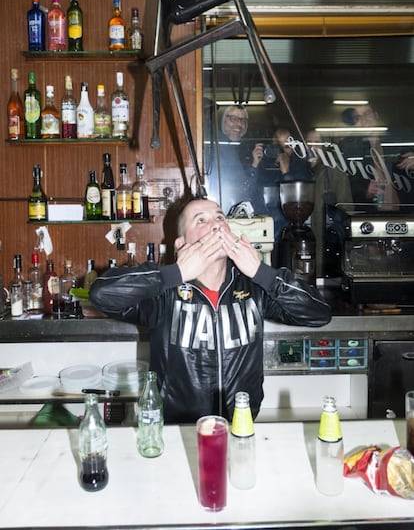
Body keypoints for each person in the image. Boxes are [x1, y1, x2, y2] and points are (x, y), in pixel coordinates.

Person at [90, 197, 331, 424]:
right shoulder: (163, 293)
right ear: (181, 243)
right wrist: (177, 273)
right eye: (201, 220)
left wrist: (261, 272)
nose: (216, 225)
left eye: (220, 218)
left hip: (240, 425)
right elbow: (102, 294)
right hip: (178, 430)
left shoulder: (254, 287)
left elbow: (319, 313)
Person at [305, 128, 354, 277]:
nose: (313, 147)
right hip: (299, 249)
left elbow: (347, 214)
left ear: (324, 147)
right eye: (309, 142)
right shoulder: (296, 171)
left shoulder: (336, 175)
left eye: (318, 143)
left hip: (327, 257)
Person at [205, 104, 265, 215]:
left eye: (243, 120)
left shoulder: (246, 148)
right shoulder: (217, 145)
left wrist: (255, 163)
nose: (239, 124)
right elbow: (241, 189)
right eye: (233, 119)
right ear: (223, 121)